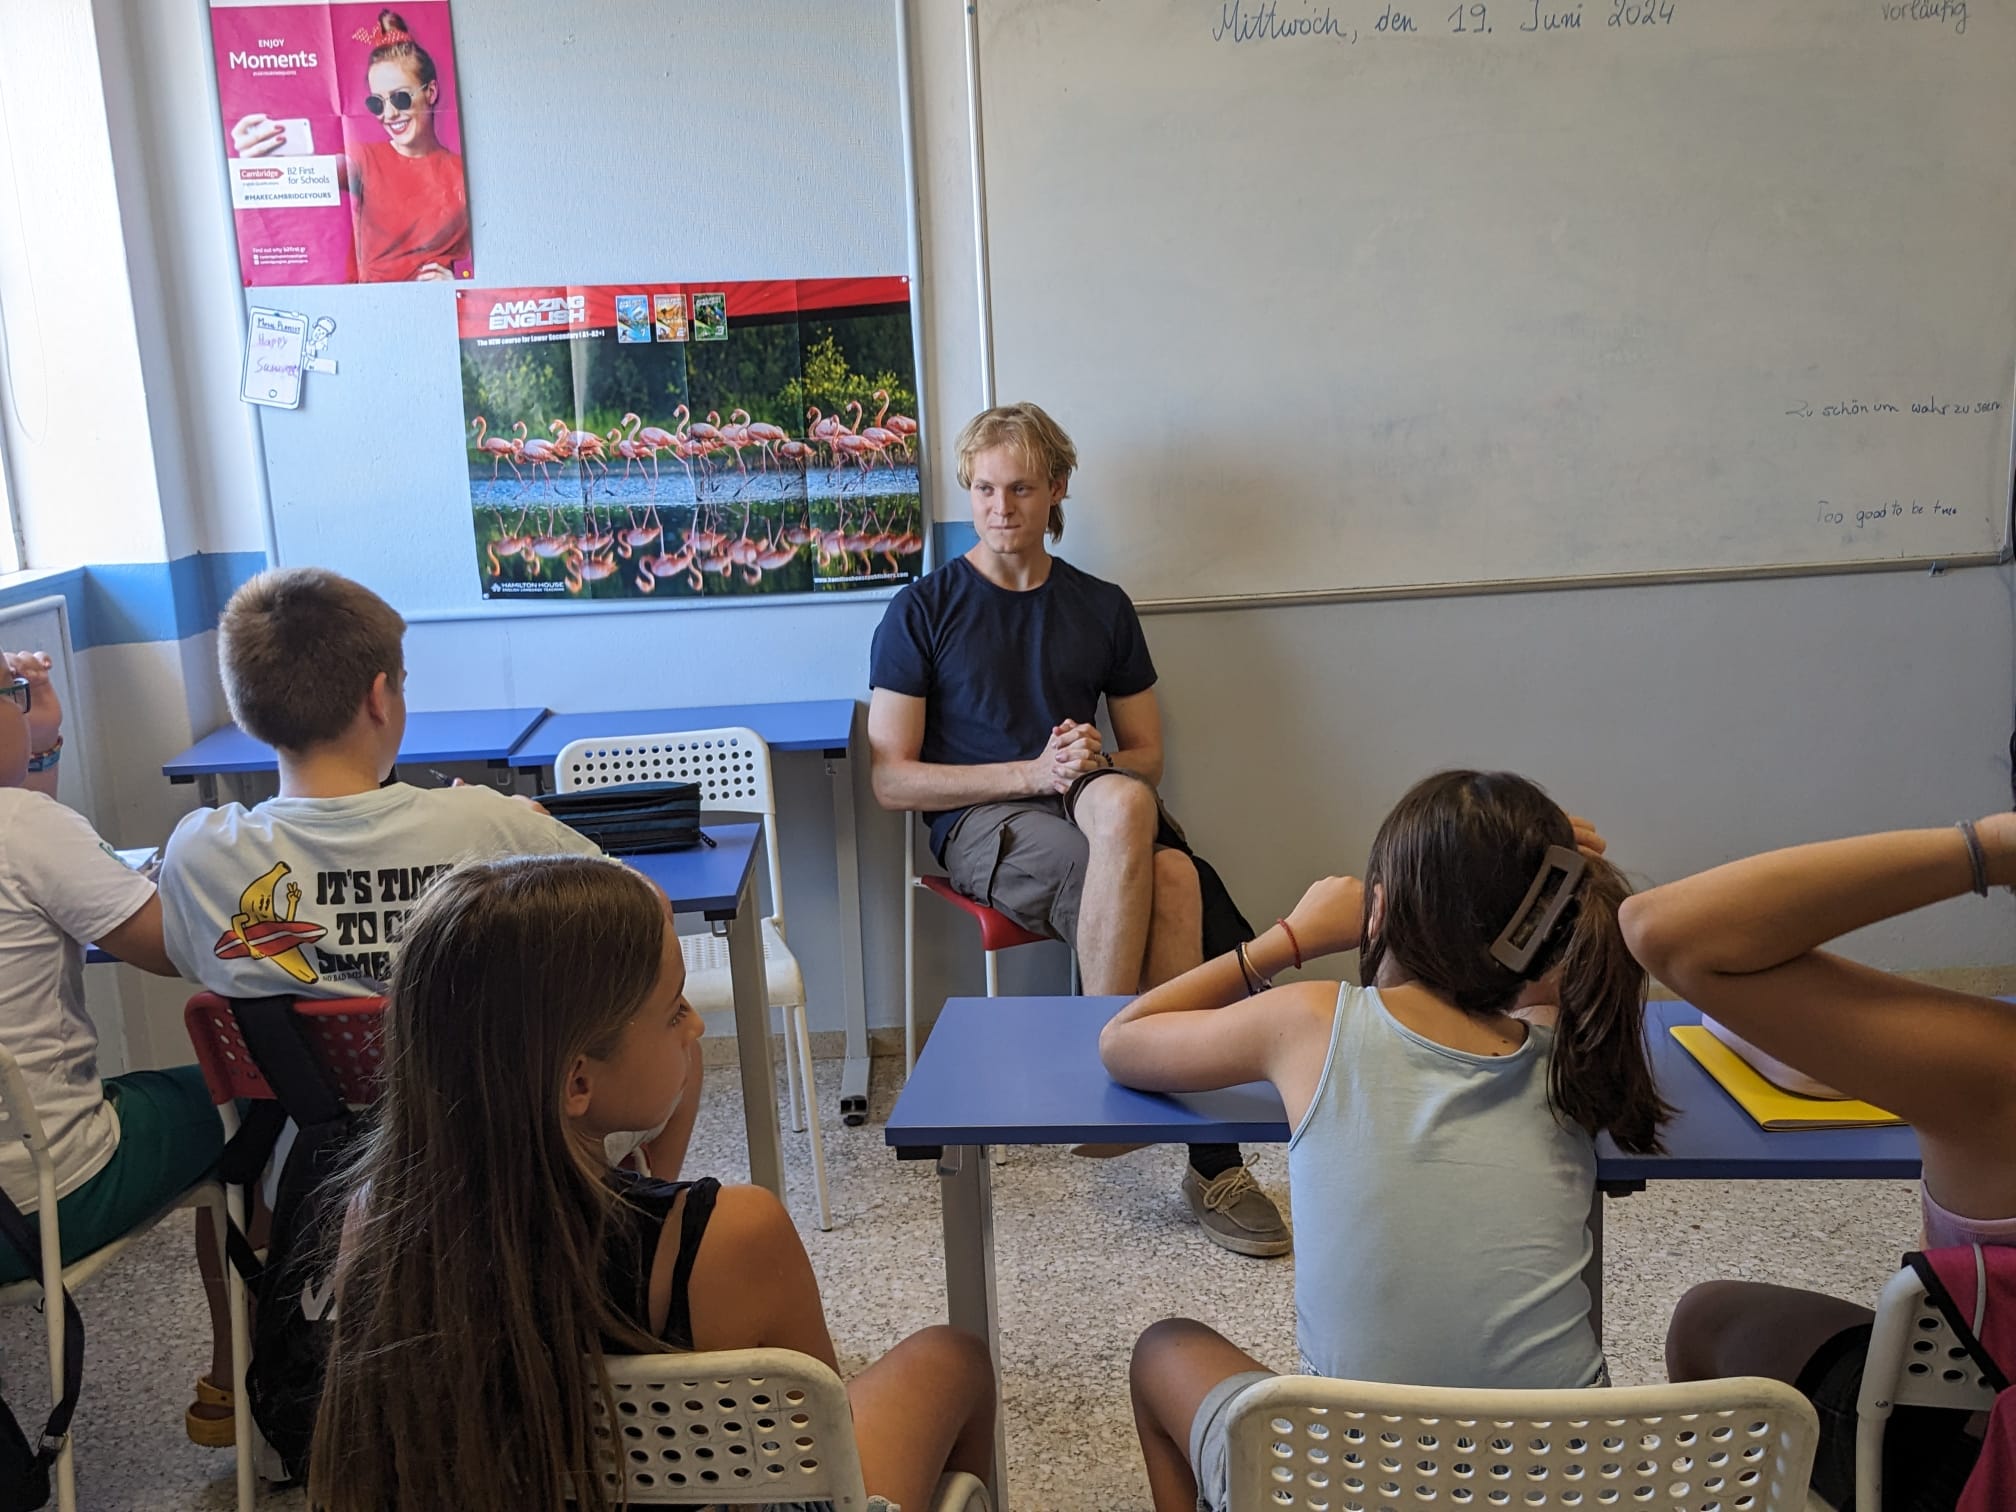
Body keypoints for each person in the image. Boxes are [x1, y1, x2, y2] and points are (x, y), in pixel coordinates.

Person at [309, 855, 998, 1512]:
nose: (696, 1025)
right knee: (952, 1356)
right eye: (674, 1010)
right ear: (578, 1080)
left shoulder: (373, 1223)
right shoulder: (726, 1235)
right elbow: (814, 1463)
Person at [1103, 770, 1669, 1512]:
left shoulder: (1310, 1022)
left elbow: (1124, 1040)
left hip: (1348, 1487)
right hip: (1557, 1490)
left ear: (1378, 909)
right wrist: (1526, 868)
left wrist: (1288, 939)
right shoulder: (1569, 1057)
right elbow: (1545, 976)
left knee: (1163, 1350)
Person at [867, 402, 1288, 1257]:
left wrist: (1091, 755)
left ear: (1056, 490)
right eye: (984, 489)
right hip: (980, 820)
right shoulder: (922, 610)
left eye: (1020, 488)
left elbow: (1149, 758)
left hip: (1085, 798)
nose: (999, 507)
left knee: (1143, 824)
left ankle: (1125, 1073)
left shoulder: (1101, 606)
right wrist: (1032, 772)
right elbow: (891, 779)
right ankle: (1192, 1141)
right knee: (1176, 881)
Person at [157, 567, 701, 1180]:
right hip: (499, 1139)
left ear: (243, 705)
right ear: (378, 696)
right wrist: (526, 828)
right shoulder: (487, 825)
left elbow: (185, 955)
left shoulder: (200, 852)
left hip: (309, 1156)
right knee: (680, 1035)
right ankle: (641, 1216)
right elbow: (644, 915)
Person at [1622, 817, 2016, 1511]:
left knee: (1706, 1317)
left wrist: (1987, 846)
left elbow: (1666, 931)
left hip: (1979, 1463)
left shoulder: (1988, 1070)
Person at [0, 651, 242, 1447]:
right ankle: (234, 1383)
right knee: (243, 1102)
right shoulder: (25, 830)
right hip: (39, 1201)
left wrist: (43, 740)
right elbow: (175, 948)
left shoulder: (26, 825)